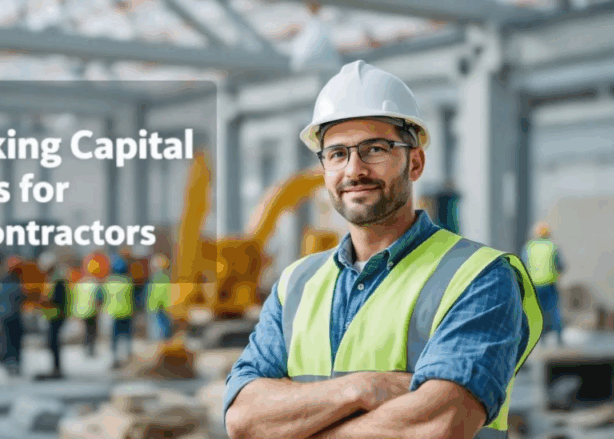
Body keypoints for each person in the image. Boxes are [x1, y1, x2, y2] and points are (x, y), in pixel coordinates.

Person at [223, 60, 544, 439]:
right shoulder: (294, 283)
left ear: (415, 163)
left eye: (374, 149)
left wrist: (297, 425)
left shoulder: (479, 277)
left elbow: (436, 426)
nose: (354, 169)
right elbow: (242, 419)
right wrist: (362, 388)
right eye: (337, 153)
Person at [522, 222, 565, 346]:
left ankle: (540, 339)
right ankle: (559, 338)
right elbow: (560, 265)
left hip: (534, 285)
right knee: (554, 310)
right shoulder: (553, 247)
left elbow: (524, 264)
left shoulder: (529, 247)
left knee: (537, 312)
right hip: (550, 284)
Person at [39, 263, 71, 380]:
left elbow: (58, 299)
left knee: (54, 343)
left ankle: (57, 369)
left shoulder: (57, 281)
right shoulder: (52, 280)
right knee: (52, 343)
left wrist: (46, 301)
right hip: (52, 316)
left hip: (57, 316)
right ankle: (55, 368)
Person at [72, 254, 109, 357]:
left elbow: (75, 298)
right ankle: (91, 349)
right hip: (93, 311)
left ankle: (86, 348)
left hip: (82, 311)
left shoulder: (79, 283)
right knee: (92, 332)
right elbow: (99, 298)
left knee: (86, 331)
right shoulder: (95, 283)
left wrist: (75, 312)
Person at [103, 256, 135, 369]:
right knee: (126, 338)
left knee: (114, 339)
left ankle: (115, 360)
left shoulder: (109, 281)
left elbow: (104, 296)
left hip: (113, 314)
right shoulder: (128, 281)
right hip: (127, 313)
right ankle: (128, 359)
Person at [0, 256, 24, 376]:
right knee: (13, 340)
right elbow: (18, 297)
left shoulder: (3, 281)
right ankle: (13, 363)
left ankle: (10, 363)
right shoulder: (13, 282)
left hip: (4, 315)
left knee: (8, 340)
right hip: (12, 315)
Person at [146, 254, 172, 341]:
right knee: (161, 327)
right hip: (161, 306)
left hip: (157, 307)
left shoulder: (158, 278)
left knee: (158, 329)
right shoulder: (164, 277)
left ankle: (158, 345)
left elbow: (157, 293)